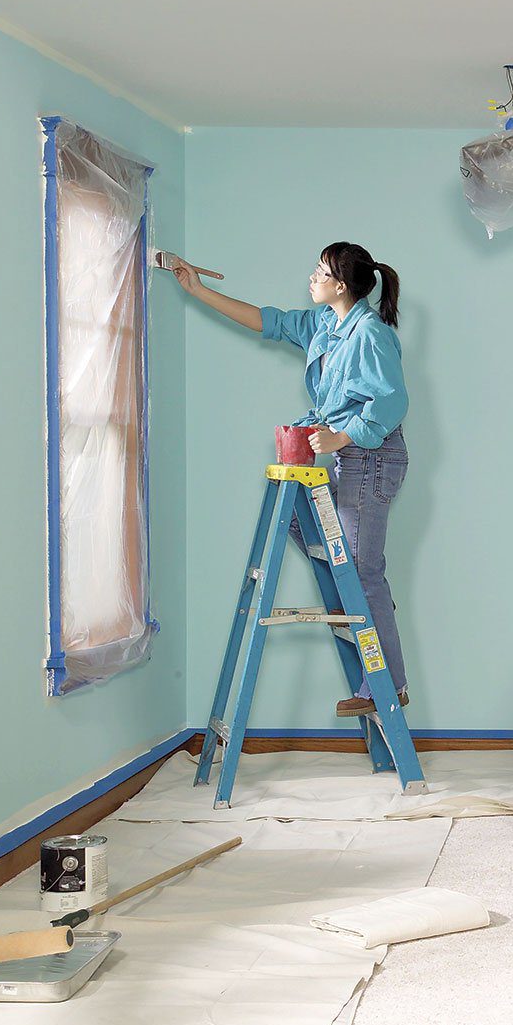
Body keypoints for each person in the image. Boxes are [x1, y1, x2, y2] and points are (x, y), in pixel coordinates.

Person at [173, 242, 410, 716]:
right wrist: (197, 292)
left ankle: (388, 686)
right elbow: (270, 321)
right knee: (313, 536)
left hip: (371, 457)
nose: (311, 277)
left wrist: (342, 438)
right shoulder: (326, 325)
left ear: (341, 285)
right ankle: (370, 626)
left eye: (320, 272)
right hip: (343, 458)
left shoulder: (371, 334)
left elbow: (391, 402)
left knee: (363, 572)